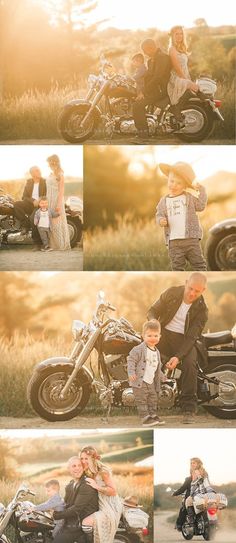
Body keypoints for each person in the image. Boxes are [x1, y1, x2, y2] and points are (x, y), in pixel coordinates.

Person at [147, 273, 208, 424]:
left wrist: (178, 357)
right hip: (163, 334)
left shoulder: (202, 310)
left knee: (188, 365)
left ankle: (189, 409)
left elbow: (191, 337)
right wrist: (154, 323)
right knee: (147, 355)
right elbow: (152, 311)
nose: (192, 293)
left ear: (203, 290)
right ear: (186, 283)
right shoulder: (172, 293)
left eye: (197, 291)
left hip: (185, 340)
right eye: (190, 288)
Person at [156, 161, 207, 271]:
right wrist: (161, 220)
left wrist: (201, 190)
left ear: (184, 186)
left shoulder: (189, 198)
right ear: (168, 179)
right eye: (171, 181)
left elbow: (201, 205)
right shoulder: (164, 201)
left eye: (178, 183)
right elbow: (159, 214)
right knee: (177, 267)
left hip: (191, 240)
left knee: (199, 265)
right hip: (174, 242)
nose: (174, 185)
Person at [80, 446, 123, 543]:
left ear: (93, 459)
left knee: (86, 523)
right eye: (82, 458)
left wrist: (97, 487)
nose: (83, 461)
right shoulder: (88, 471)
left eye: (86, 458)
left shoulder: (103, 472)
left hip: (109, 505)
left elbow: (113, 491)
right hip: (98, 503)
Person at [127, 319, 166, 427]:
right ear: (143, 336)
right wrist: (131, 372)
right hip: (140, 381)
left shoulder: (156, 351)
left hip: (151, 381)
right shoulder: (138, 349)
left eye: (155, 335)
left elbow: (156, 366)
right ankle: (145, 418)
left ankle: (152, 415)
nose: (153, 338)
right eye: (149, 336)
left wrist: (162, 376)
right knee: (142, 400)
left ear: (159, 336)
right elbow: (131, 360)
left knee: (153, 398)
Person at [132, 38, 171, 141]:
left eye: (144, 51)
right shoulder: (150, 61)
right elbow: (148, 76)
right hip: (154, 89)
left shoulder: (163, 58)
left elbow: (157, 77)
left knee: (137, 105)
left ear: (150, 48)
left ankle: (143, 134)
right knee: (135, 100)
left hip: (161, 90)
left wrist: (143, 92)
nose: (144, 53)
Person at [53, 456, 99, 543]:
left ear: (83, 468)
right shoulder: (71, 484)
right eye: (74, 466)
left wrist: (57, 515)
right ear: (68, 469)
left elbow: (77, 509)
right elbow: (65, 503)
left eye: (79, 466)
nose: (77, 468)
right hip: (71, 521)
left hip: (78, 526)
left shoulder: (86, 484)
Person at [167, 26, 199, 123]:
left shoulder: (181, 48)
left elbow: (184, 68)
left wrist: (187, 79)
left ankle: (205, 101)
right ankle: (176, 108)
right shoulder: (172, 49)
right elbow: (177, 68)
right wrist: (186, 81)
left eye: (181, 33)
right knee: (196, 88)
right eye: (177, 34)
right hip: (176, 78)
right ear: (172, 35)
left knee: (195, 88)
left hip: (183, 76)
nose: (179, 36)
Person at [13, 166, 46, 249]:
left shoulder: (44, 182)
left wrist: (39, 201)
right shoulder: (29, 182)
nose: (39, 171)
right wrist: (33, 200)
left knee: (33, 218)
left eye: (39, 170)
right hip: (30, 204)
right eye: (37, 170)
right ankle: (25, 224)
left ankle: (37, 243)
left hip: (40, 204)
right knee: (16, 204)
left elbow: (46, 195)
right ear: (32, 173)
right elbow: (24, 197)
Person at [46, 154, 71, 250]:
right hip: (49, 199)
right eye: (48, 162)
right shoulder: (50, 174)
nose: (49, 164)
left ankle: (60, 245)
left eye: (50, 162)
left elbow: (61, 191)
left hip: (57, 199)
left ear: (55, 162)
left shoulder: (60, 174)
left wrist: (58, 205)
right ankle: (53, 245)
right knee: (51, 223)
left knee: (56, 222)